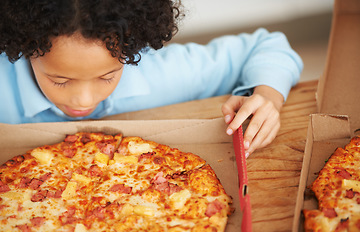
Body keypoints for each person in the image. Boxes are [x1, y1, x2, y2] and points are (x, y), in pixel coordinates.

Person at [0, 0, 303, 158]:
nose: (85, 100)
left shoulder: (162, 74)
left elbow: (266, 45)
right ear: (26, 48)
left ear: (132, 48)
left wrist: (267, 96)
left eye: (108, 76)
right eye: (61, 80)